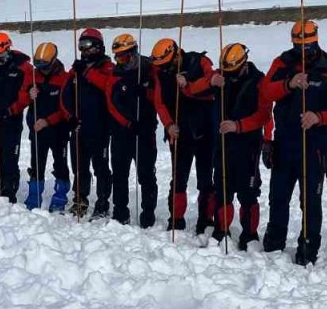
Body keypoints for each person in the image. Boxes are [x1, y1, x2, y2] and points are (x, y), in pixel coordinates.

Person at [260, 20, 327, 266]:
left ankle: (308, 246)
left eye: (307, 45)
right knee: (278, 196)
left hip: (314, 146)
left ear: (315, 42)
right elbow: (266, 92)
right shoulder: (282, 63)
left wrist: (319, 117)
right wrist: (289, 84)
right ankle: (274, 240)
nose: (303, 51)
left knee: (310, 201)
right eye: (299, 46)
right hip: (285, 142)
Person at [82, 33, 158, 226]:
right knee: (120, 175)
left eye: (124, 56)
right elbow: (111, 103)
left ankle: (148, 214)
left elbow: (161, 97)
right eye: (117, 57)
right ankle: (120, 212)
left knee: (146, 174)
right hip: (121, 133)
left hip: (145, 133)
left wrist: (147, 92)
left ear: (133, 52)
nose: (120, 61)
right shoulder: (115, 75)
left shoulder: (149, 70)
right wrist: (128, 123)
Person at [151, 36, 217, 235]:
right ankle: (176, 219)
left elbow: (212, 82)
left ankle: (205, 220)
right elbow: (159, 102)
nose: (165, 69)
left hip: (205, 131)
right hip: (179, 133)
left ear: (175, 55)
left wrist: (188, 84)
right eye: (161, 66)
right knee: (178, 179)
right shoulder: (161, 73)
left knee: (206, 179)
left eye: (167, 65)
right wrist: (169, 124)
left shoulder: (200, 61)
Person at [210, 42, 272, 249]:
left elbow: (264, 115)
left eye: (232, 70)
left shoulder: (258, 82)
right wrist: (211, 80)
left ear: (243, 64)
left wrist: (238, 126)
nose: (229, 74)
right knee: (221, 188)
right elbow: (196, 87)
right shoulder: (220, 77)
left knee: (248, 192)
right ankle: (221, 230)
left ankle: (250, 234)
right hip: (223, 143)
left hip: (248, 145)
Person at [62, 27, 116, 219]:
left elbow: (109, 86)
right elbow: (64, 95)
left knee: (101, 166)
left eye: (88, 46)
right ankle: (80, 199)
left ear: (98, 47)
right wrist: (69, 116)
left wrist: (87, 74)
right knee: (79, 166)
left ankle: (102, 203)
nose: (84, 51)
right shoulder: (76, 70)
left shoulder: (107, 66)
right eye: (81, 46)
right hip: (78, 126)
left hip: (99, 127)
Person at [0, 31, 33, 202]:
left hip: (11, 119)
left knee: (9, 157)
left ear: (7, 49)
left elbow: (26, 94)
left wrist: (11, 111)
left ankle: (9, 190)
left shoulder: (23, 67)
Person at [24, 42, 72, 212]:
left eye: (44, 66)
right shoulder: (33, 76)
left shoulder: (64, 78)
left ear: (53, 61)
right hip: (37, 130)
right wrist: (30, 94)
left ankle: (60, 198)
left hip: (58, 131)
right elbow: (24, 98)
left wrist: (48, 121)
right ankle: (33, 198)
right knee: (36, 164)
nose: (41, 70)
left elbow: (66, 108)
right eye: (38, 66)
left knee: (60, 165)